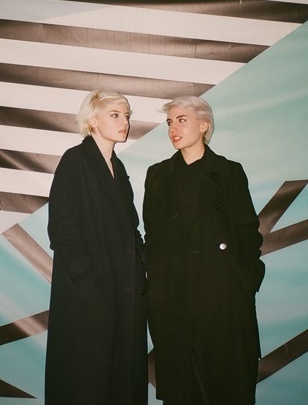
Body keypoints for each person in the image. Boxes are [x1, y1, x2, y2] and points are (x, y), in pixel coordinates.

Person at [142, 96, 265, 405]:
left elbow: (248, 234)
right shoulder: (157, 176)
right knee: (182, 392)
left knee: (226, 390)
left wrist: (242, 282)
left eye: (181, 120)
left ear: (204, 125)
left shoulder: (229, 172)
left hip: (223, 301)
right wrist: (157, 287)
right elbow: (152, 237)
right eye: (169, 122)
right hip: (173, 302)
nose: (173, 128)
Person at [45, 90, 148, 405]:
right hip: (89, 295)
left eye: (126, 115)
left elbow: (130, 229)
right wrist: (91, 284)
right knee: (87, 380)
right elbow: (62, 230)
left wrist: (141, 270)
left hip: (123, 292)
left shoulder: (118, 166)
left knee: (118, 380)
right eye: (115, 115)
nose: (125, 122)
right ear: (92, 121)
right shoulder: (75, 160)